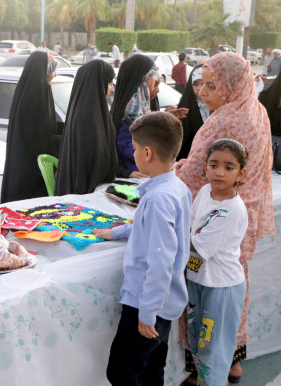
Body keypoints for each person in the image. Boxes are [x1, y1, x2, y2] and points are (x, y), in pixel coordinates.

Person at [175, 52, 274, 384]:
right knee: (235, 295)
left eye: (212, 85)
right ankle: (233, 362)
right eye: (201, 83)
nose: (203, 92)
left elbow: (193, 174)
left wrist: (172, 171)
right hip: (244, 219)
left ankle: (205, 370)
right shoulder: (256, 109)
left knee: (206, 306)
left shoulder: (224, 119)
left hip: (216, 220)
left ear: (231, 85)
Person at [93, 111, 192, 386]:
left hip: (146, 305)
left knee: (122, 372)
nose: (133, 154)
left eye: (135, 149)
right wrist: (115, 232)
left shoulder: (159, 199)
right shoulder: (176, 188)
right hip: (163, 301)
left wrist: (148, 312)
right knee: (151, 368)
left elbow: (161, 260)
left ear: (147, 152)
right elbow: (150, 231)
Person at [186, 139, 248, 386]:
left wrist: (162, 233)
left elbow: (195, 245)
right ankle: (207, 380)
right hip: (198, 279)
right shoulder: (204, 192)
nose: (219, 172)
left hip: (221, 287)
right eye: (214, 165)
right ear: (205, 167)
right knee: (198, 338)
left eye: (229, 167)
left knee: (215, 346)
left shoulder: (232, 209)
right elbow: (190, 226)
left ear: (241, 173)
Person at [1, 51, 60, 203]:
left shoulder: (39, 91)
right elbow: (38, 136)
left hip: (32, 168)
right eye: (52, 66)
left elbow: (49, 126)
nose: (55, 72)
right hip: (28, 171)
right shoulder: (32, 96)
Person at [55, 59, 117, 195]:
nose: (112, 89)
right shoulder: (88, 116)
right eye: (109, 82)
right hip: (86, 192)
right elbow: (92, 159)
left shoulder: (94, 109)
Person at [110, 54, 158, 178]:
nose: (154, 78)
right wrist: (152, 155)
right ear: (144, 77)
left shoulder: (140, 104)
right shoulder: (132, 109)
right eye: (153, 75)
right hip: (136, 172)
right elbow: (124, 144)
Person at [177, 65, 210, 159]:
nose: (199, 88)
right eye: (195, 84)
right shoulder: (185, 108)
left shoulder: (218, 107)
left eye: (203, 84)